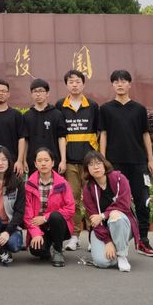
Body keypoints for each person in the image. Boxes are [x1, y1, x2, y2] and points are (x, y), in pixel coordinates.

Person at [99, 69, 153, 258]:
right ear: (112, 85)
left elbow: (145, 135)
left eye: (123, 81)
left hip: (138, 162)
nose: (120, 84)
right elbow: (103, 135)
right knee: (113, 203)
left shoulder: (139, 109)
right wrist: (103, 160)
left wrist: (150, 159)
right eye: (116, 81)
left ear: (129, 84)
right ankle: (109, 240)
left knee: (143, 202)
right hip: (114, 163)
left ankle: (143, 240)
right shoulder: (106, 109)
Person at [55, 69, 99, 251]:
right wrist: (62, 160)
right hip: (70, 162)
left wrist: (99, 159)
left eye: (78, 81)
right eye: (71, 82)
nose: (74, 85)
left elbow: (99, 133)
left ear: (83, 84)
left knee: (92, 199)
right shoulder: (60, 105)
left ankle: (94, 236)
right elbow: (60, 134)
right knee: (72, 200)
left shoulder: (93, 106)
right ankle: (74, 236)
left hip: (90, 163)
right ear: (66, 85)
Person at [82, 150, 140, 272]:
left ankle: (122, 255)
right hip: (101, 230)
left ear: (104, 164)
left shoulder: (120, 179)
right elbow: (94, 219)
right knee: (102, 262)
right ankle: (115, 247)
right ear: (87, 169)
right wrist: (108, 242)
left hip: (123, 225)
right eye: (91, 164)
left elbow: (124, 205)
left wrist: (103, 215)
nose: (96, 167)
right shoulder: (88, 189)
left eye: (98, 163)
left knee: (115, 215)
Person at [24, 148, 75, 267]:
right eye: (39, 160)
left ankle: (58, 250)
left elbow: (70, 209)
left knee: (55, 216)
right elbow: (27, 213)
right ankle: (48, 245)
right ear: (35, 164)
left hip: (58, 225)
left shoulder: (62, 183)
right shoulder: (29, 185)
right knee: (37, 250)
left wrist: (45, 218)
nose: (43, 163)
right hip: (39, 227)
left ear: (52, 163)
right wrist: (36, 233)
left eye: (46, 160)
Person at [23, 78, 67, 172]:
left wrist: (63, 160)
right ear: (31, 94)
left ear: (47, 93)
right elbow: (25, 140)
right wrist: (23, 160)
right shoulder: (27, 116)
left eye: (41, 91)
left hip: (53, 162)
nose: (38, 94)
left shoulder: (56, 114)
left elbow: (61, 138)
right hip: (33, 162)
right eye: (35, 91)